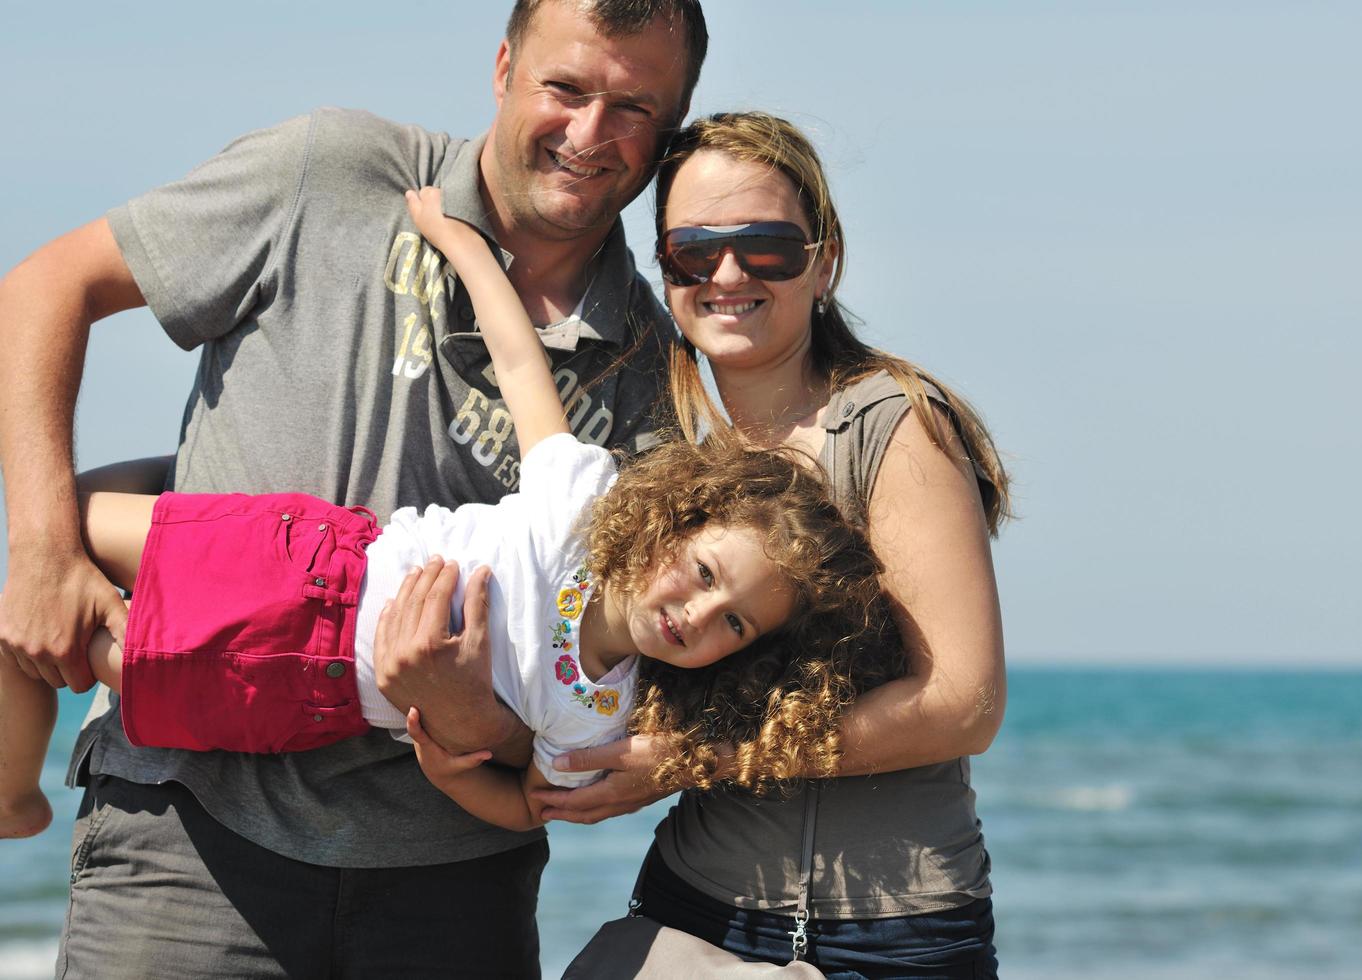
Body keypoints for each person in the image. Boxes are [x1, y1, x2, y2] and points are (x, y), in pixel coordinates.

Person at [0, 1, 708, 974]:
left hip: (456, 884)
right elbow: (43, 287)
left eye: (634, 106)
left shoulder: (653, 369)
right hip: (190, 833)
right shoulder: (330, 171)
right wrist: (42, 545)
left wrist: (478, 723)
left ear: (671, 124)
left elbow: (598, 703)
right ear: (504, 65)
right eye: (566, 87)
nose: (589, 133)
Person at [0, 185, 891, 837]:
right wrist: (459, 242)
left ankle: (10, 794)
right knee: (55, 546)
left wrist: (446, 766)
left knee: (92, 650)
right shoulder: (584, 503)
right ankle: (12, 784)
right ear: (681, 523)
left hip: (310, 697)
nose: (694, 612)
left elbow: (527, 811)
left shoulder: (605, 714)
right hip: (311, 566)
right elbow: (518, 361)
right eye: (703, 575)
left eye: (731, 622)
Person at [526, 112, 1012, 976]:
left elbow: (964, 704)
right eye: (693, 250)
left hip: (887, 934)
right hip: (691, 911)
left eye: (767, 247)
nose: (727, 273)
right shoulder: (662, 440)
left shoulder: (893, 426)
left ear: (824, 264)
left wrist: (691, 762)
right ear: (665, 267)